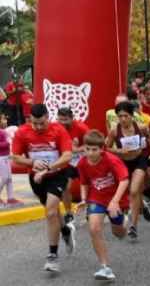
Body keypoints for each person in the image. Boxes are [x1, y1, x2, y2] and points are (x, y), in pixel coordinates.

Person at [11, 103, 74, 272]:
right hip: (36, 178)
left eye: (42, 123)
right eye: (35, 123)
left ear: (48, 117)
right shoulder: (23, 132)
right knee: (51, 211)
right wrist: (32, 162)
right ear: (30, 119)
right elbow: (15, 157)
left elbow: (68, 155)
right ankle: (65, 231)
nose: (38, 127)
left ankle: (52, 256)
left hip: (57, 175)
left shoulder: (58, 129)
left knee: (51, 212)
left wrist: (48, 168)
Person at [76, 130, 129, 281]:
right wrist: (84, 199)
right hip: (96, 198)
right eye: (87, 149)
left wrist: (115, 201)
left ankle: (123, 221)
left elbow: (124, 180)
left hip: (115, 197)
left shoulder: (112, 160)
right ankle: (105, 268)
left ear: (102, 149)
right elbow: (84, 183)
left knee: (119, 233)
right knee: (94, 228)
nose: (90, 153)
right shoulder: (82, 163)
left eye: (94, 149)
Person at [105, 101, 150, 241]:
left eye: (126, 116)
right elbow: (106, 148)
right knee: (130, 193)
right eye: (120, 116)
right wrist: (119, 150)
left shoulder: (141, 127)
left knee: (134, 191)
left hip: (139, 160)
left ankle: (133, 226)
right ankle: (142, 205)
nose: (123, 119)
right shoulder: (115, 131)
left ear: (132, 116)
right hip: (123, 163)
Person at [56, 107, 90, 224]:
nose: (62, 123)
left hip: (82, 161)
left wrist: (77, 149)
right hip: (68, 162)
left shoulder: (81, 128)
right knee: (66, 187)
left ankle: (89, 211)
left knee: (87, 187)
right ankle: (68, 213)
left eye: (65, 120)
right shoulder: (57, 128)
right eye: (60, 120)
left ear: (72, 118)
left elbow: (92, 144)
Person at [0, 110, 19, 205]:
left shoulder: (4, 131)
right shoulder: (2, 132)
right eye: (3, 119)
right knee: (5, 178)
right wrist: (7, 142)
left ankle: (10, 198)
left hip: (6, 157)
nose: (5, 121)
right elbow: (4, 144)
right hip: (1, 158)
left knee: (9, 178)